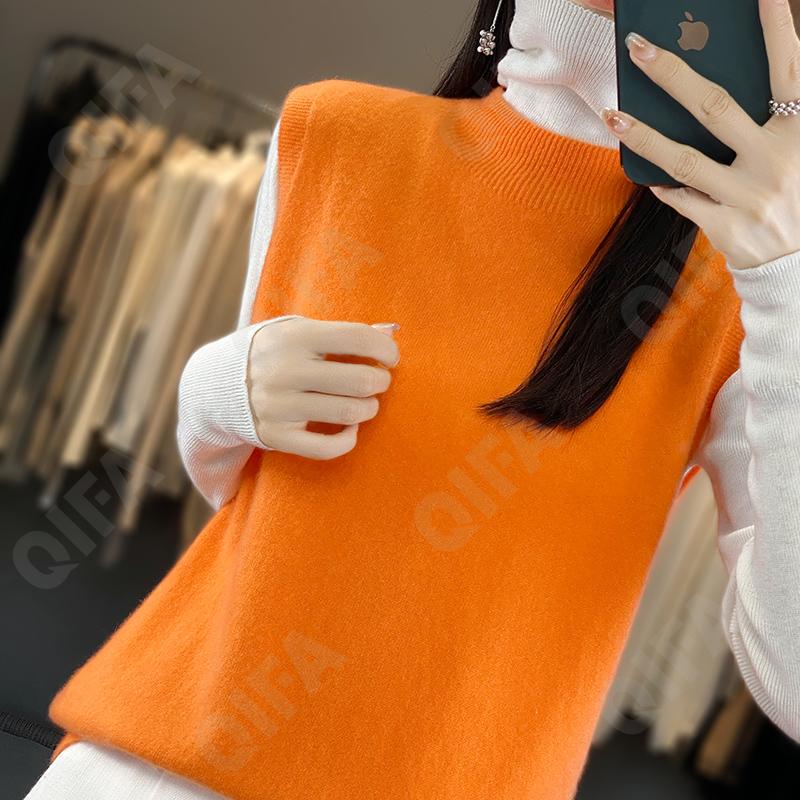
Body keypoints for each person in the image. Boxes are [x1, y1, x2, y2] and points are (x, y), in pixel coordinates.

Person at [25, 0, 800, 798]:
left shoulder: (745, 286)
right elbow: (251, 502)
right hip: (151, 767)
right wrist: (215, 389)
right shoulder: (336, 133)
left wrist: (785, 277)